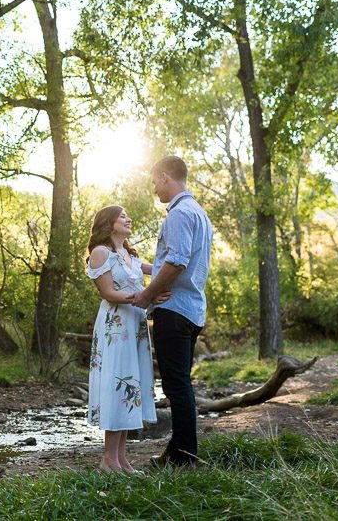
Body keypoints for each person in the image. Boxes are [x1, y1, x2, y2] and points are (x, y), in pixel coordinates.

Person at [132, 155, 213, 469]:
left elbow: (177, 262)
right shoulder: (199, 213)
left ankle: (183, 456)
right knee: (180, 384)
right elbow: (182, 262)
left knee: (176, 386)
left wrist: (147, 294)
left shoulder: (179, 214)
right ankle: (179, 451)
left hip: (174, 310)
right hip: (191, 309)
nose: (155, 189)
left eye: (155, 182)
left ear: (165, 177)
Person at [85, 205, 165, 473]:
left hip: (135, 324)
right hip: (116, 327)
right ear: (109, 223)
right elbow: (108, 293)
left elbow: (159, 270)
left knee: (131, 388)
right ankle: (108, 460)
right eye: (122, 216)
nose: (128, 219)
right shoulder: (101, 253)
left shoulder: (129, 255)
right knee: (118, 384)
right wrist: (147, 296)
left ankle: (120, 459)